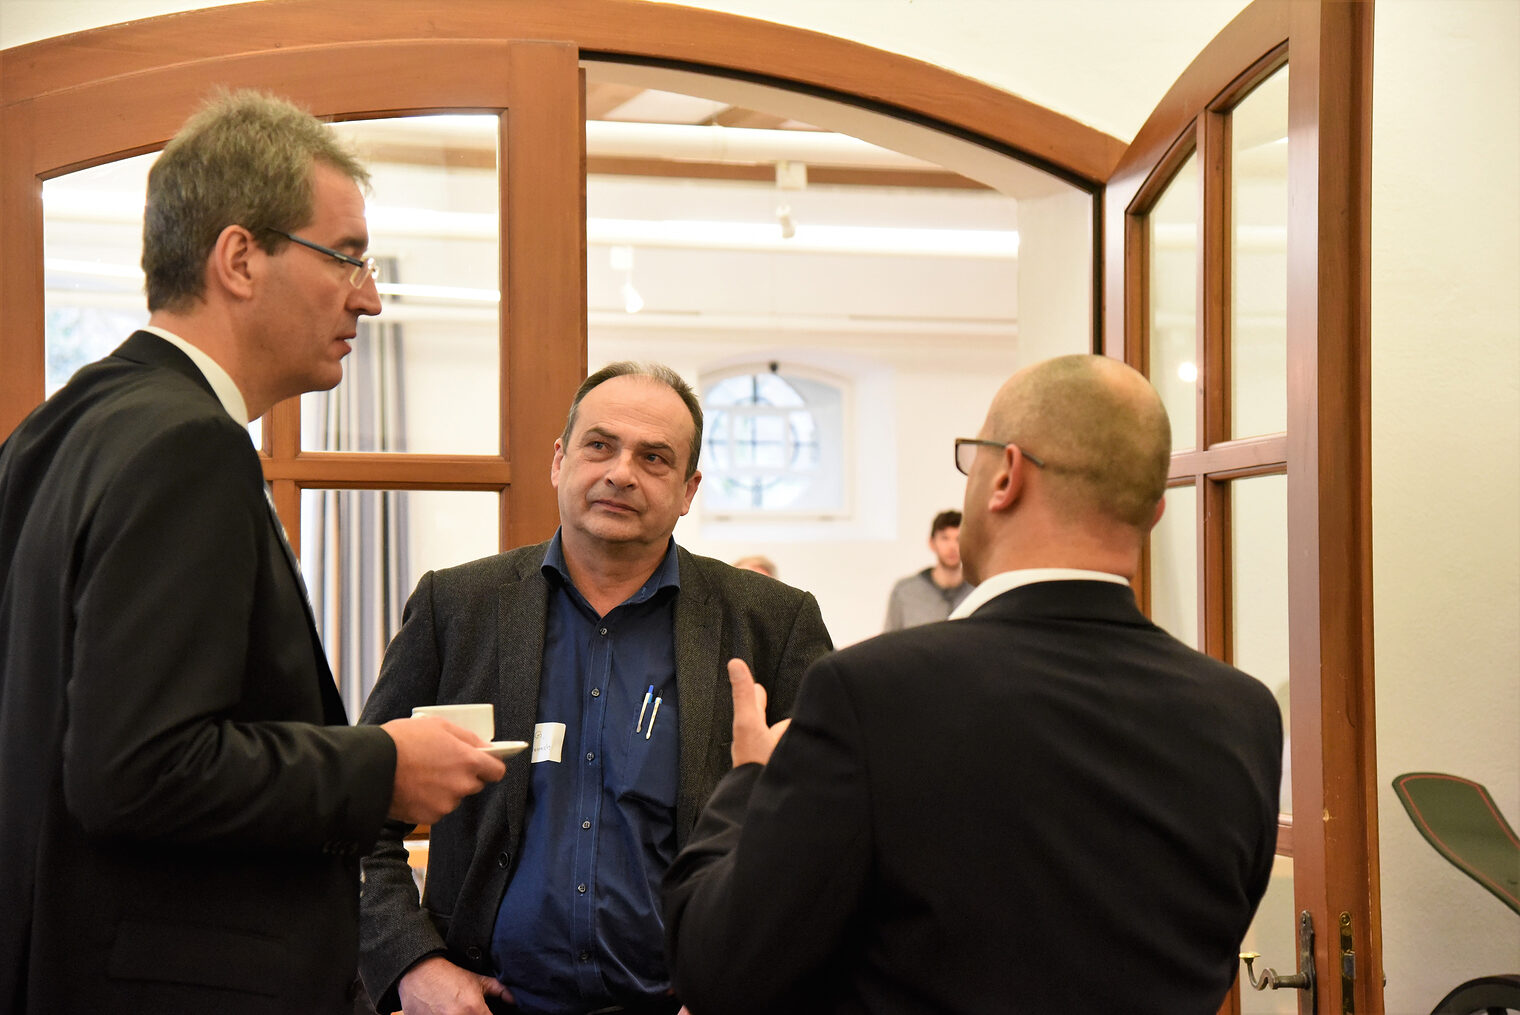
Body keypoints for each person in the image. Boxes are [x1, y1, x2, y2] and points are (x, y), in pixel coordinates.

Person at [0, 91, 506, 1014]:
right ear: (240, 257)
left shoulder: (60, 427)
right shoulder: (186, 446)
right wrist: (381, 767)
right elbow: (137, 768)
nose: (370, 294)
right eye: (347, 254)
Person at [663, 354, 1283, 1014]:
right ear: (1156, 511)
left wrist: (751, 776)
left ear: (1007, 476)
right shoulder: (1244, 713)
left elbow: (722, 966)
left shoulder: (872, 693)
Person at [356, 361, 833, 1015]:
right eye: (599, 445)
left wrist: (750, 980)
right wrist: (414, 964)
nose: (620, 472)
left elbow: (829, 841)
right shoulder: (456, 607)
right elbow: (353, 817)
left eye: (654, 457)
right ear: (560, 460)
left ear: (689, 488)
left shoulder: (772, 624)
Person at [882, 509, 972, 630]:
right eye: (945, 538)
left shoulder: (978, 590)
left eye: (958, 539)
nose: (952, 546)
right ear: (932, 543)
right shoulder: (906, 592)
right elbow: (889, 642)